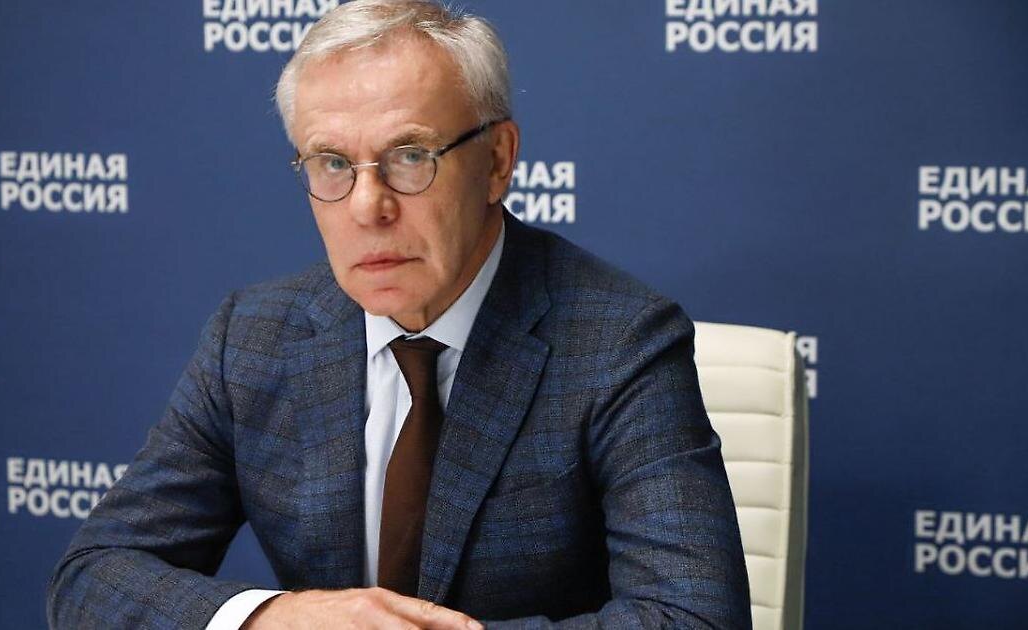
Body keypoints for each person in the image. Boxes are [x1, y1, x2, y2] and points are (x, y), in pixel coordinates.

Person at [46, 1, 751, 628]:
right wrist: (270, 620)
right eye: (332, 163)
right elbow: (92, 577)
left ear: (498, 161)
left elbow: (694, 615)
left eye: (410, 156)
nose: (367, 207)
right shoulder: (253, 337)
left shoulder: (619, 343)